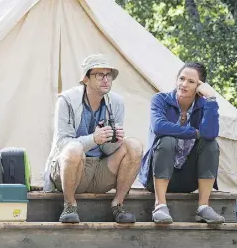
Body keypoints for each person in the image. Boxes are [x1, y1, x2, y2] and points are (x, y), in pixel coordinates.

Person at [43, 54, 143, 224]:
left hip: (100, 171)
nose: (106, 79)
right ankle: (69, 205)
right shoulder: (66, 100)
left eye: (109, 75)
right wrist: (93, 139)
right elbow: (62, 144)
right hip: (72, 171)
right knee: (74, 149)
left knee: (134, 145)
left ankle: (118, 204)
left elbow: (107, 150)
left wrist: (114, 140)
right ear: (85, 79)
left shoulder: (117, 102)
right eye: (99, 75)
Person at [138, 62, 225, 224]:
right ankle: (160, 205)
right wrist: (193, 132)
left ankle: (204, 207)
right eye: (182, 78)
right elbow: (159, 126)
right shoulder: (160, 100)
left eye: (191, 82)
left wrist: (212, 99)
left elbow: (210, 134)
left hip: (187, 179)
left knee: (211, 144)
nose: (184, 84)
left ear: (200, 86)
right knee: (167, 139)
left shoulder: (205, 105)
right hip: (156, 176)